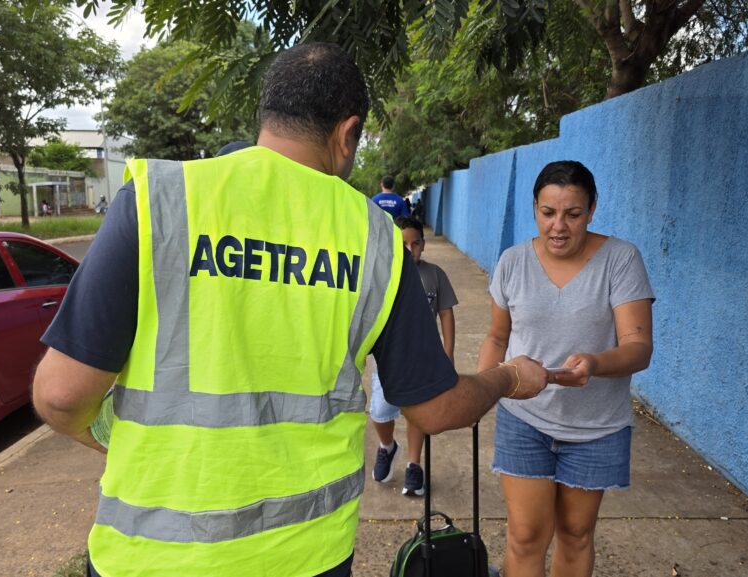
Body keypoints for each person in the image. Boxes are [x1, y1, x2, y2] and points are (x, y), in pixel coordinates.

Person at [32, 42, 549, 577]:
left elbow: (61, 396)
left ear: (268, 115)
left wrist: (123, 445)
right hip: (306, 555)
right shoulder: (373, 237)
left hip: (150, 558)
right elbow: (437, 409)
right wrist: (509, 377)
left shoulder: (161, 199)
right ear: (347, 134)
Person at [477, 160, 655, 577]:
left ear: (592, 210)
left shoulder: (621, 260)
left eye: (573, 214)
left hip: (596, 426)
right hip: (524, 419)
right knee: (525, 536)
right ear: (535, 209)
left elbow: (638, 347)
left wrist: (594, 362)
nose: (559, 226)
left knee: (575, 534)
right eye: (548, 213)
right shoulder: (512, 262)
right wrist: (481, 390)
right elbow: (497, 337)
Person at [370, 215, 458, 497]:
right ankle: (387, 447)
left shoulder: (435, 275)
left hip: (423, 359)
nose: (410, 250)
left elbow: (446, 313)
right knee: (380, 412)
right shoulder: (383, 275)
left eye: (415, 243)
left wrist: (448, 352)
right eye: (403, 244)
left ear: (423, 244)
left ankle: (414, 465)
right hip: (389, 359)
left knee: (417, 415)